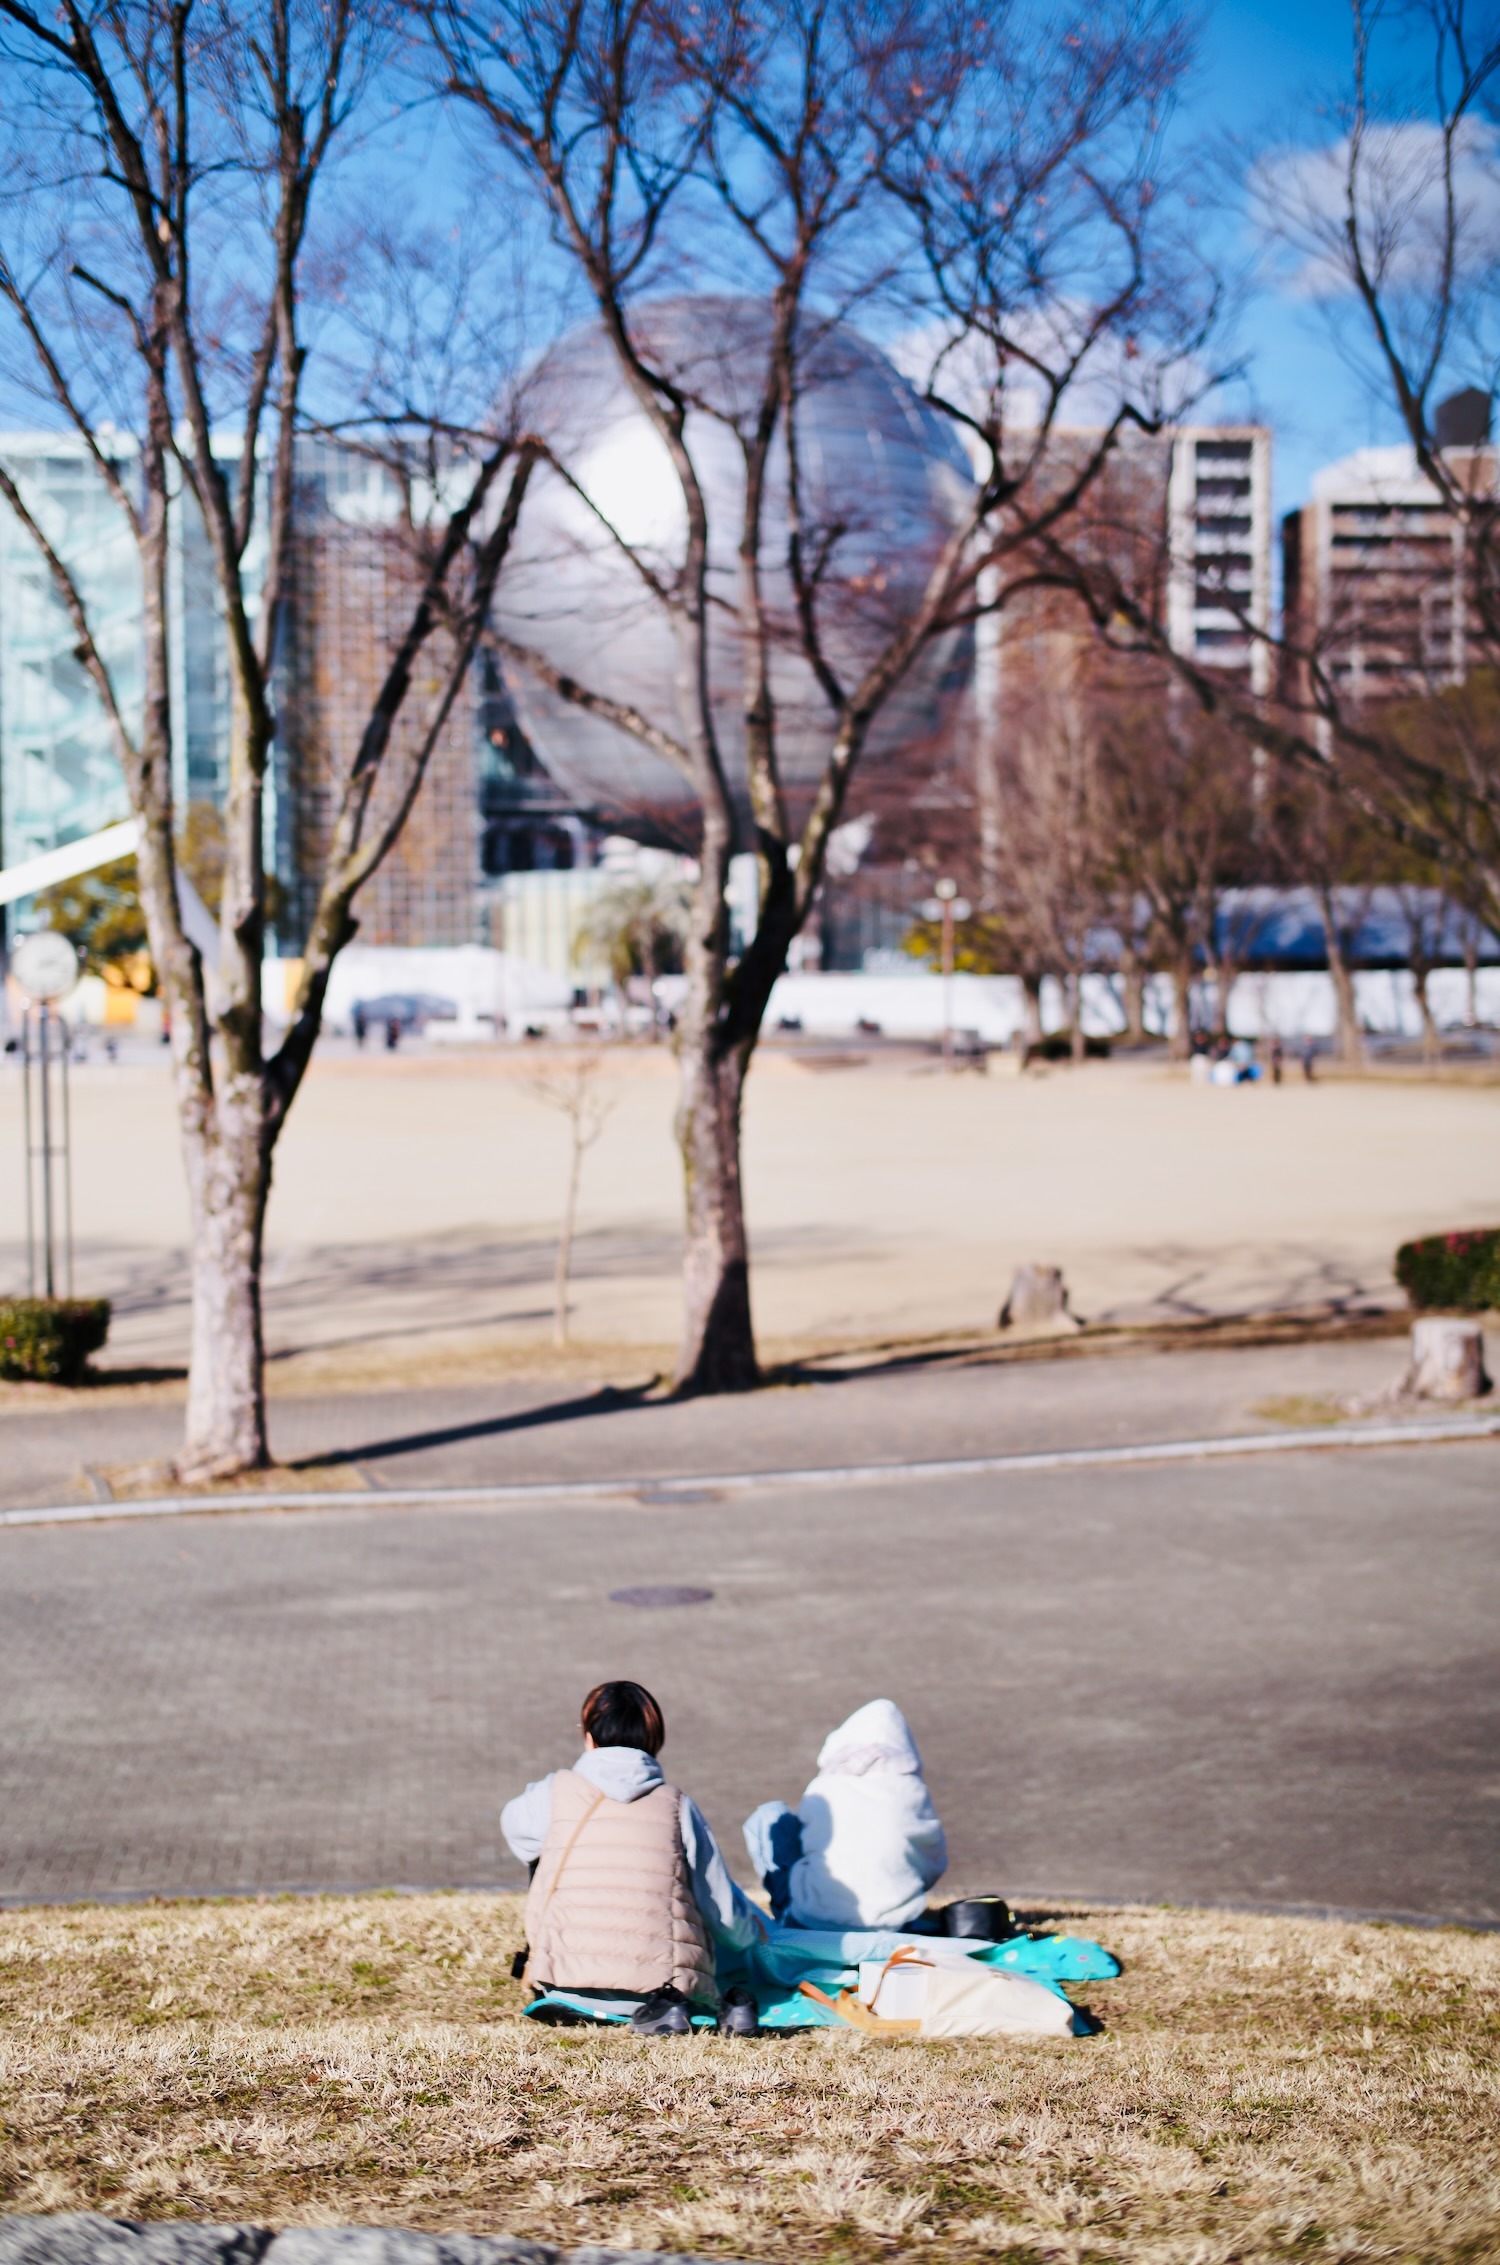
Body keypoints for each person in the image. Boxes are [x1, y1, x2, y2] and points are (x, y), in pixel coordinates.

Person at [501, 1679, 764, 2034]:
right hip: (663, 1995)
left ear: (588, 1735)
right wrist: (756, 1939)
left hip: (563, 1985)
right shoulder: (678, 1806)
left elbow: (517, 1833)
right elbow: (724, 1914)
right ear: (654, 1739)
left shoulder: (551, 1792)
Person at [743, 1698, 948, 1933]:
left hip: (810, 1917)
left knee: (770, 1814)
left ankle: (787, 1917)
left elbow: (808, 1844)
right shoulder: (912, 1790)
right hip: (894, 1924)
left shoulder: (826, 1786)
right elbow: (933, 1865)